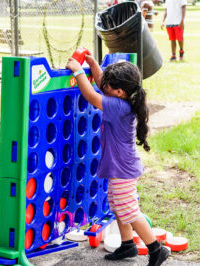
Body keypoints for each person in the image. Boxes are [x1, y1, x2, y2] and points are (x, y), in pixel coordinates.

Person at [66, 55, 169, 266]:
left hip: (122, 170)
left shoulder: (117, 106)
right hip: (121, 167)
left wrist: (78, 71)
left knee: (128, 209)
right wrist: (93, 65)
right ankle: (128, 244)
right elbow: (104, 85)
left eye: (108, 86)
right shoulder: (123, 100)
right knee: (116, 204)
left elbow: (91, 95)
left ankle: (156, 249)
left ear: (119, 91)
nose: (104, 87)